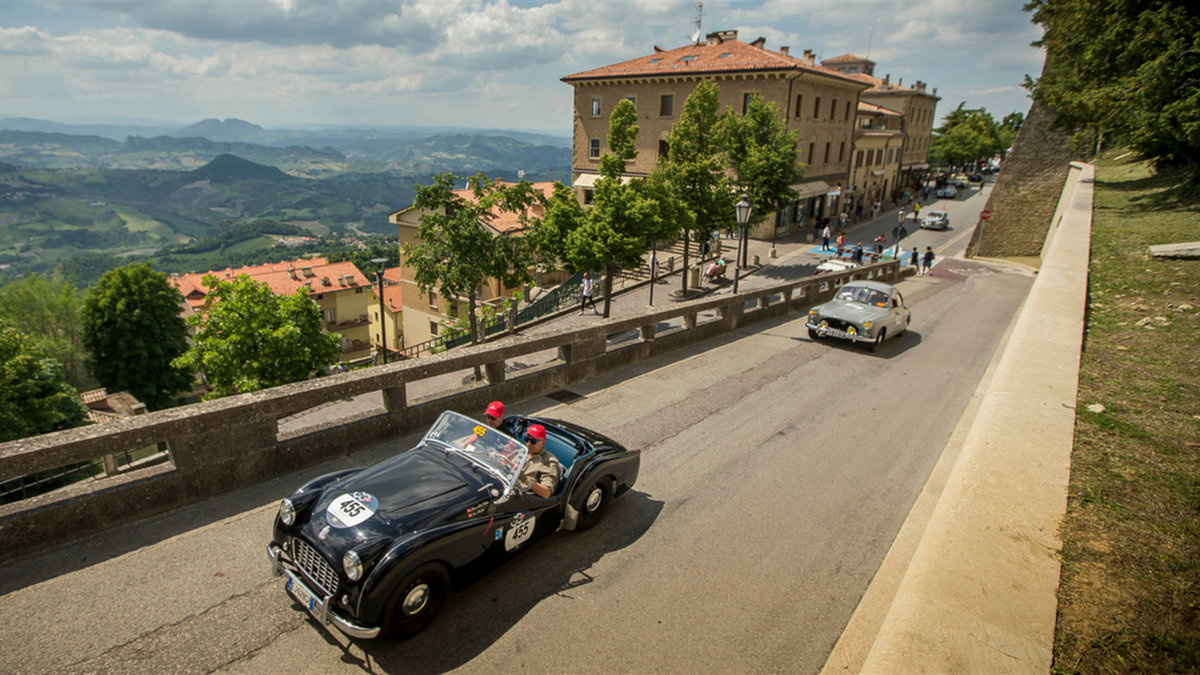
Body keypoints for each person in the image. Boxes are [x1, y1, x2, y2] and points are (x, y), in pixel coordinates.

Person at [520, 424, 560, 498]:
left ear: (543, 442)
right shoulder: (523, 450)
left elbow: (546, 492)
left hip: (524, 498)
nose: (528, 444)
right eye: (526, 439)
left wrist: (525, 479)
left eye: (533, 441)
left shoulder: (549, 462)